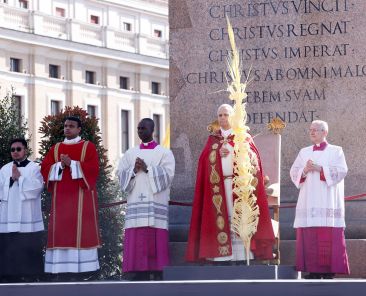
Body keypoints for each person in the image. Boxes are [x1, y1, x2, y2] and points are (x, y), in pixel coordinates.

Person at [186, 104, 275, 263]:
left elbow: (253, 161)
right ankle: (222, 256)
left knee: (239, 218)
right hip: (219, 188)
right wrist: (216, 153)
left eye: (225, 115)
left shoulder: (243, 137)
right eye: (219, 115)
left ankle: (242, 256)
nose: (222, 118)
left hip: (238, 186)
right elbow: (203, 161)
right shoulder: (213, 139)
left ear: (232, 116)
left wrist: (236, 153)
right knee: (222, 217)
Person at [41, 116, 100, 276]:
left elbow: (93, 169)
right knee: (61, 232)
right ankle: (60, 269)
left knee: (81, 232)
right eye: (66, 126)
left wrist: (72, 163)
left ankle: (84, 270)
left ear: (79, 129)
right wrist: (60, 165)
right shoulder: (55, 148)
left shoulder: (88, 147)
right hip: (60, 201)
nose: (67, 128)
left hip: (81, 199)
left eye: (71, 126)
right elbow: (45, 168)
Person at [290, 120, 349, 279]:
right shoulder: (304, 152)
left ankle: (329, 271)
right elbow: (294, 172)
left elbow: (342, 171)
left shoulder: (336, 151)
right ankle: (313, 270)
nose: (312, 132)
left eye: (316, 130)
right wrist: (305, 170)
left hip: (328, 200)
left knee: (328, 236)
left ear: (325, 132)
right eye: (310, 129)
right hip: (309, 200)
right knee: (310, 236)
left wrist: (319, 169)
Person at [117, 118, 175, 280]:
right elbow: (120, 175)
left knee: (155, 233)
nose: (140, 131)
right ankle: (135, 270)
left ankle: (157, 270)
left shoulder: (164, 153)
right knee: (137, 233)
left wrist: (148, 168)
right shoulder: (130, 153)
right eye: (138, 128)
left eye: (143, 128)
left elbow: (168, 175)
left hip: (155, 202)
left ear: (152, 130)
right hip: (136, 201)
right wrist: (134, 171)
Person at [0, 138, 44, 281]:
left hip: (27, 216)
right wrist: (11, 180)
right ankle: (9, 276)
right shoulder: (5, 169)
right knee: (9, 246)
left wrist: (21, 179)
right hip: (9, 216)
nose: (15, 152)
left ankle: (31, 276)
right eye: (13, 150)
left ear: (25, 150)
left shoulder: (34, 168)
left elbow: (38, 188)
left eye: (18, 149)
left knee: (28, 245)